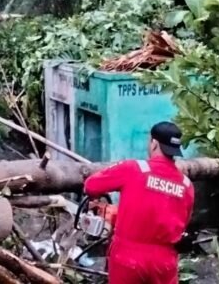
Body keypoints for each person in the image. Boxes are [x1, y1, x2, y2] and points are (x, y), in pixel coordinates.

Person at [83, 121, 194, 284]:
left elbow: (91, 186)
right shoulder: (186, 185)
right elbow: (183, 223)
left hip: (128, 258)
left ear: (154, 143)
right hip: (164, 262)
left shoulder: (134, 169)